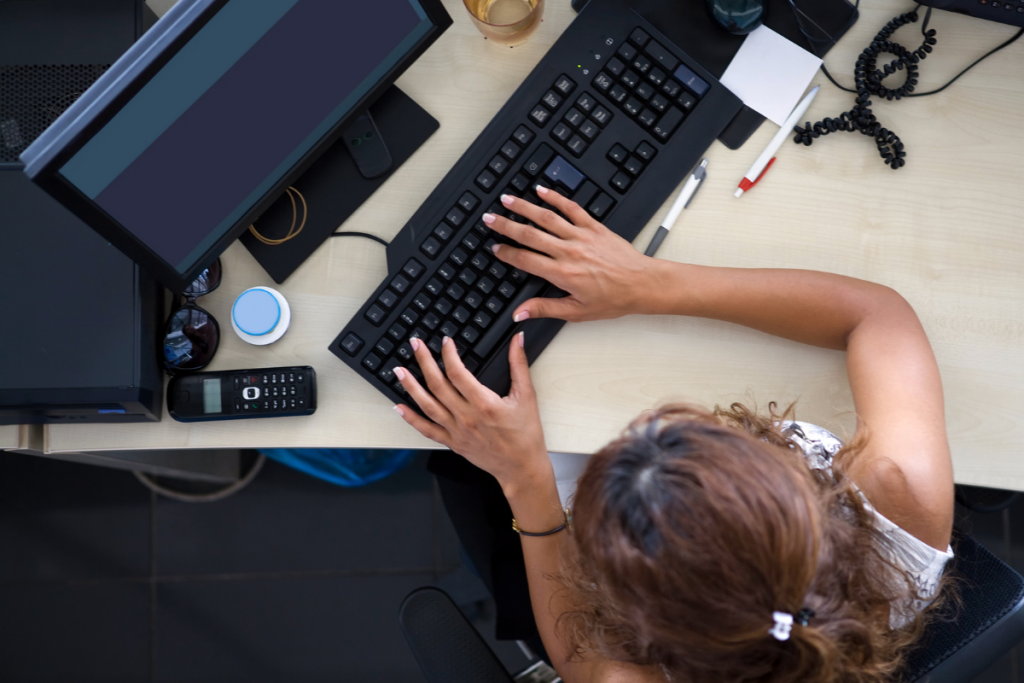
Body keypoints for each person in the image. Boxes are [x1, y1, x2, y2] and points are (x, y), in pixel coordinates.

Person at [390, 186, 954, 683]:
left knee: (460, 461)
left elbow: (577, 652)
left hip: (544, 507)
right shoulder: (899, 503)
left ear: (633, 612)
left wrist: (524, 478)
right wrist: (649, 283)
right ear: (787, 486)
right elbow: (879, 315)